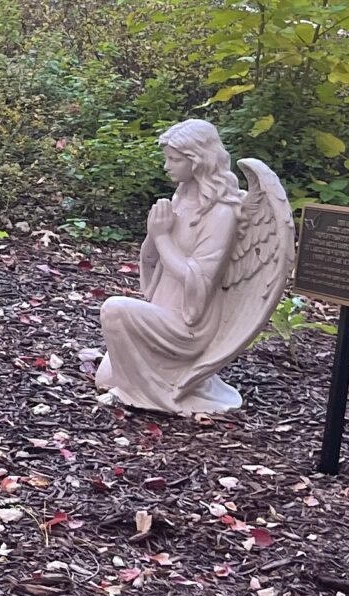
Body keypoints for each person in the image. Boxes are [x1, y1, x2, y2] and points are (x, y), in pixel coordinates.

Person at [93, 118, 248, 415]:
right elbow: (154, 261)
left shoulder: (221, 212)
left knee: (114, 309)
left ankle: (159, 396)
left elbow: (199, 280)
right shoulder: (181, 196)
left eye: (174, 159)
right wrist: (154, 234)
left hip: (187, 324)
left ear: (198, 160)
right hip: (163, 306)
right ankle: (146, 381)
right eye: (167, 158)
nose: (167, 166)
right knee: (106, 376)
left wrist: (163, 237)